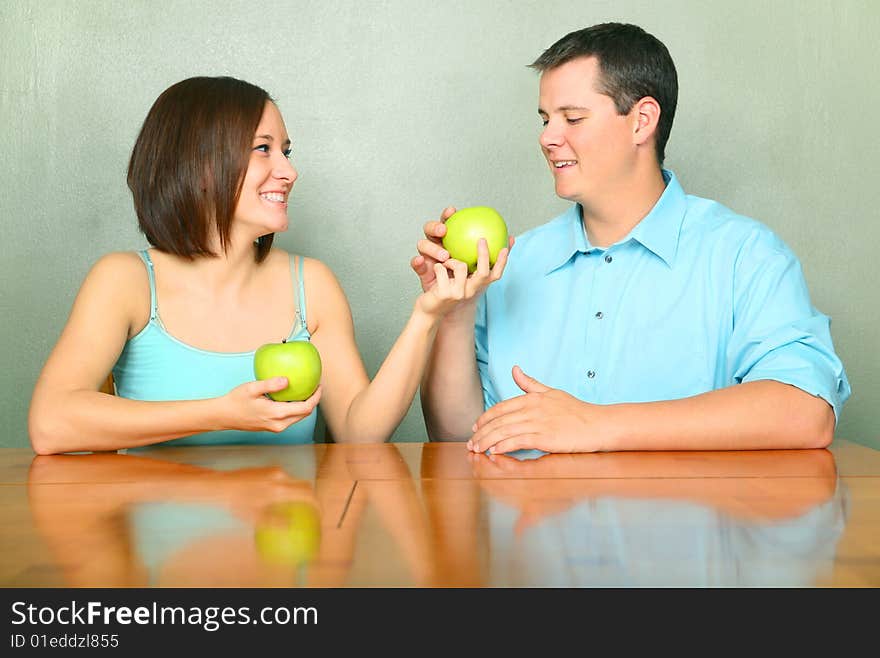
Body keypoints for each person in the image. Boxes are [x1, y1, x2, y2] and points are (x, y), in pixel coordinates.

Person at [412, 23, 851, 454]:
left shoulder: (745, 256)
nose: (547, 138)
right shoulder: (511, 263)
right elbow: (455, 440)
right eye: (546, 119)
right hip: (531, 525)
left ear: (642, 121)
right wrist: (456, 312)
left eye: (573, 118)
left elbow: (806, 411)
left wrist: (596, 425)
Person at [28, 76, 508, 455]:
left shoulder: (311, 285)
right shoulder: (125, 281)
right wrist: (220, 412)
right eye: (264, 149)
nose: (289, 170)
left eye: (286, 150)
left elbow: (360, 435)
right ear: (200, 163)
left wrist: (428, 314)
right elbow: (51, 424)